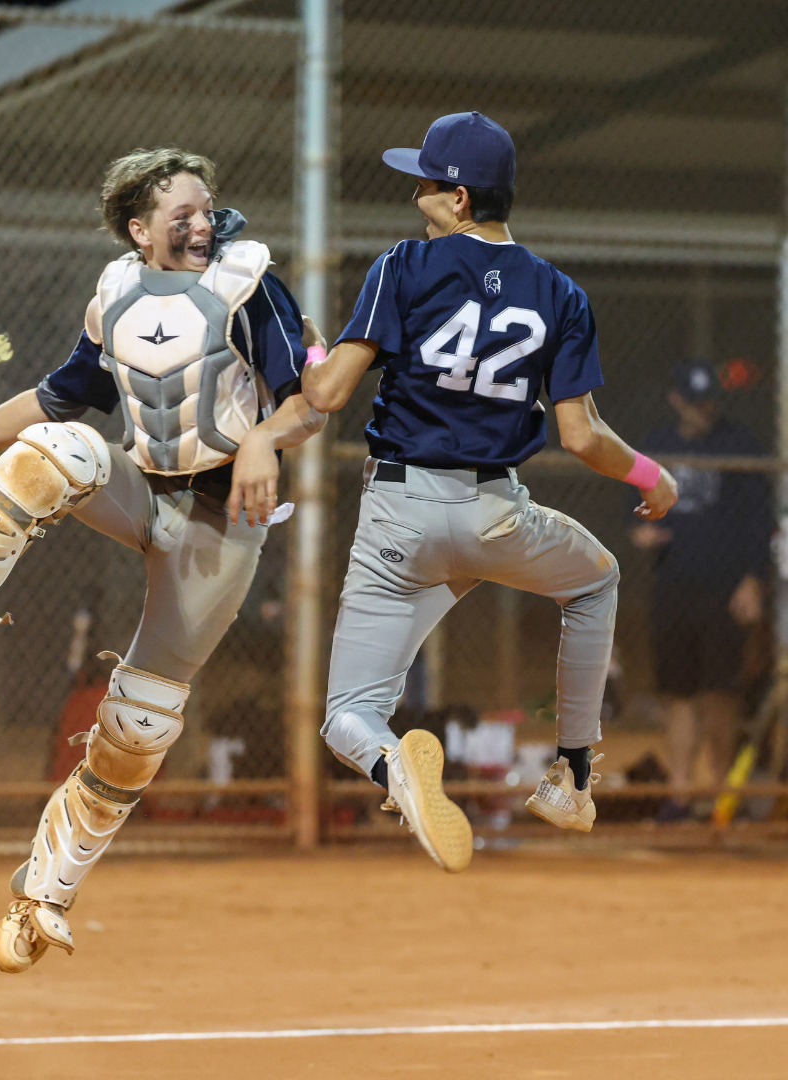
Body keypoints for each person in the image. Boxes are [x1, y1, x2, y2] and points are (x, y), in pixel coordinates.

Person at [0, 148, 324, 971]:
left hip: (220, 523)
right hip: (143, 489)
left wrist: (264, 448)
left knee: (136, 730)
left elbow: (308, 399)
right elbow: (56, 396)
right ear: (140, 228)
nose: (205, 223)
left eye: (209, 207)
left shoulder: (248, 284)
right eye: (184, 213)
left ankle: (43, 898)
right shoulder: (116, 294)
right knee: (52, 447)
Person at [301, 112, 678, 869]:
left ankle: (388, 763)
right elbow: (582, 436)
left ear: (462, 199)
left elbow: (328, 392)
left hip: (398, 517)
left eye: (429, 184)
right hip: (497, 517)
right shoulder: (560, 293)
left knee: (347, 713)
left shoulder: (403, 266)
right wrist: (651, 474)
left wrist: (306, 342)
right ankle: (571, 776)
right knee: (598, 579)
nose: (417, 198)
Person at [631, 361, 771, 819]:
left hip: (724, 587)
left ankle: (722, 794)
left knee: (719, 694)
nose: (702, 410)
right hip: (674, 585)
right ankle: (680, 792)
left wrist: (753, 579)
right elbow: (632, 508)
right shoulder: (658, 446)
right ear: (676, 401)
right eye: (693, 402)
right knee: (677, 692)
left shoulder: (738, 445)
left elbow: (759, 521)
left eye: (708, 400)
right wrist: (641, 531)